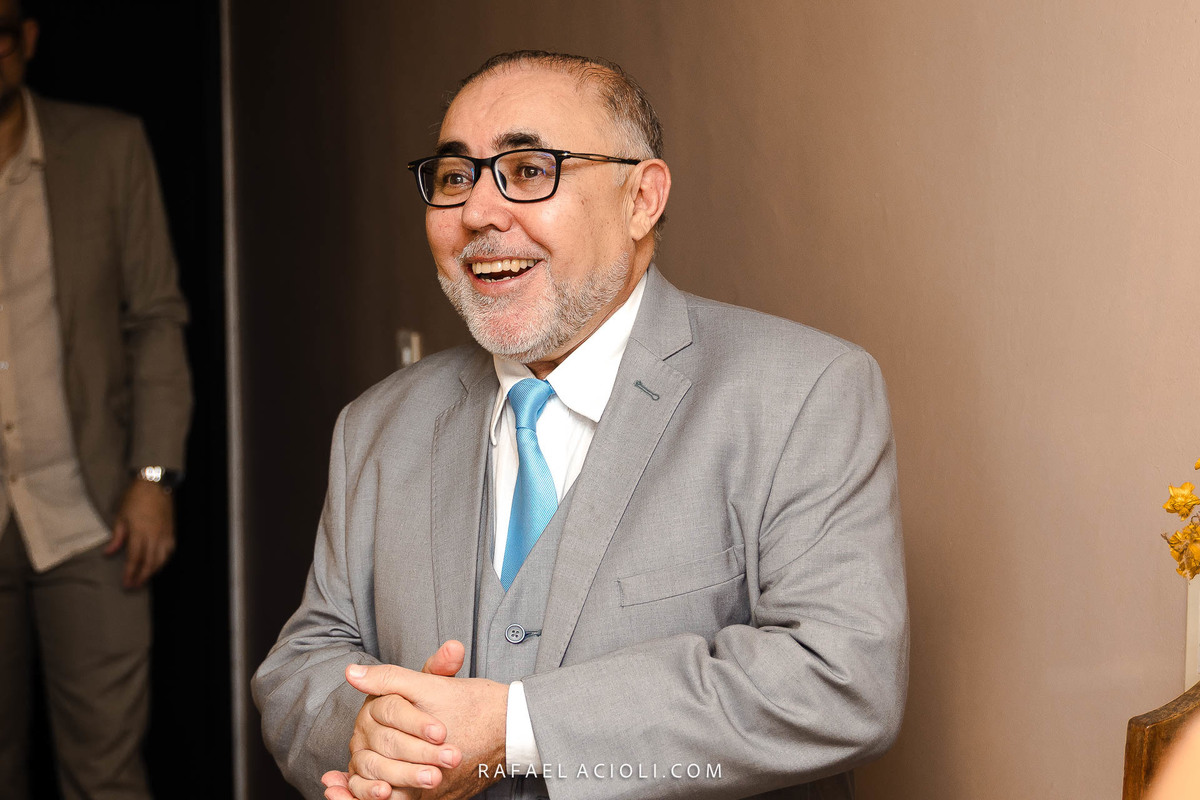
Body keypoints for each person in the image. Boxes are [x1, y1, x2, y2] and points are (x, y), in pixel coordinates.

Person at [253, 50, 907, 800]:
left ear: (642, 199)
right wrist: (371, 735)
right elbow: (305, 661)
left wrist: (516, 728)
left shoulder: (802, 391)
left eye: (530, 170)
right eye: (455, 177)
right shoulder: (375, 426)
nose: (478, 212)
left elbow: (841, 679)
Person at [0, 1, 192, 798]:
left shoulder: (109, 147)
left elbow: (156, 320)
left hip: (92, 515)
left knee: (105, 774)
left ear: (26, 39)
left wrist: (153, 478)